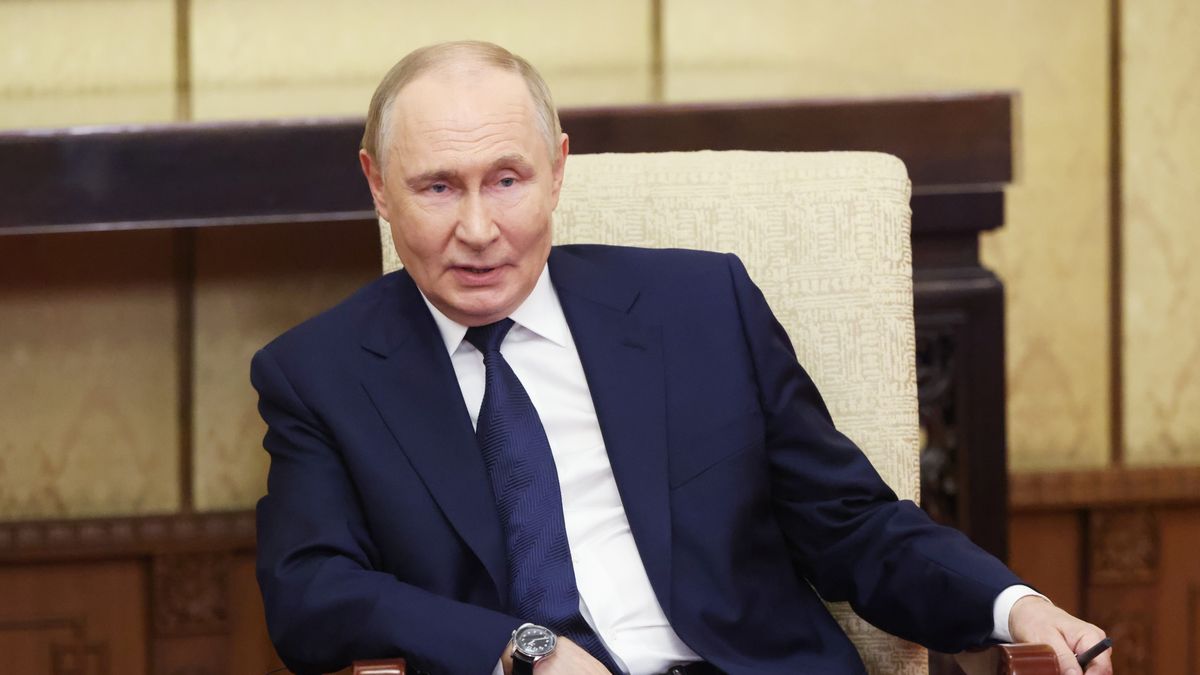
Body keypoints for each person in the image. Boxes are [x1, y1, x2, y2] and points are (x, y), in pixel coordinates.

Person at [252, 41, 1111, 675]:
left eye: (507, 179)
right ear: (376, 186)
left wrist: (1015, 606)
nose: (478, 229)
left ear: (557, 170)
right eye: (438, 186)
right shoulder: (321, 375)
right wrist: (522, 649)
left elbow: (851, 523)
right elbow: (311, 592)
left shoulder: (700, 308)